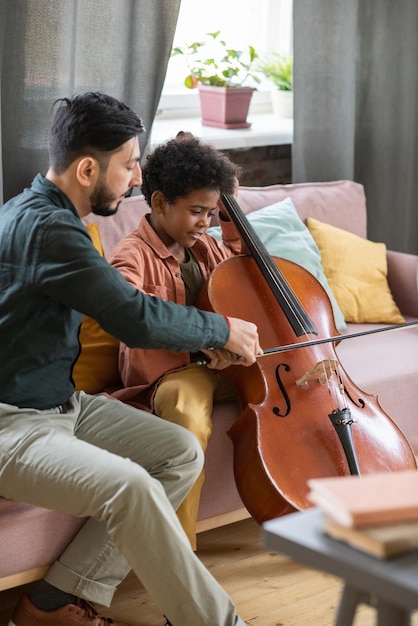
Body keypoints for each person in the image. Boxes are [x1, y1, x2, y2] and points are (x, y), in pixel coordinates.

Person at [0, 92, 262, 626]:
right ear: (88, 167)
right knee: (132, 486)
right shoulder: (49, 231)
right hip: (13, 423)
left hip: (59, 405)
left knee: (178, 453)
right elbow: (132, 315)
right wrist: (222, 328)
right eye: (129, 164)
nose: (138, 178)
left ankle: (49, 604)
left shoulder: (43, 212)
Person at [110, 136, 244, 549]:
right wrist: (208, 338)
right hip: (176, 372)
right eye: (196, 211)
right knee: (187, 417)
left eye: (211, 211)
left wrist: (230, 212)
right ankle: (180, 556)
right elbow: (134, 319)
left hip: (223, 366)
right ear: (161, 201)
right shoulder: (129, 256)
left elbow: (248, 272)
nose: (204, 222)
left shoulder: (207, 248)